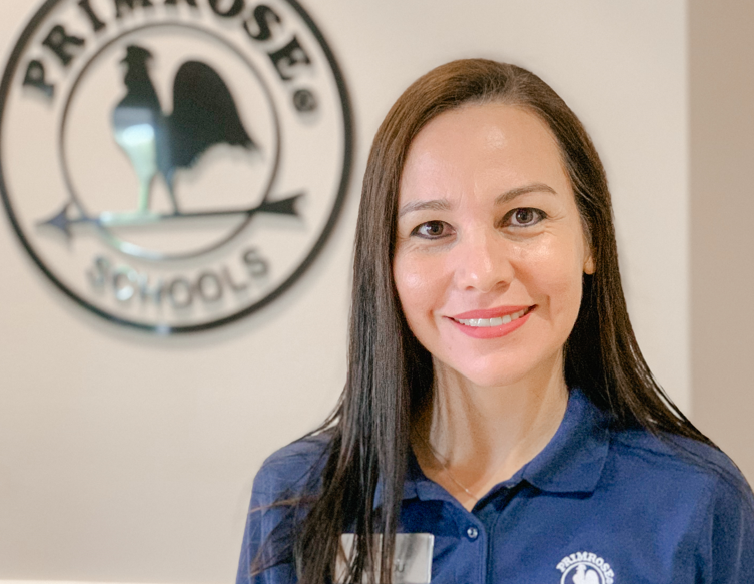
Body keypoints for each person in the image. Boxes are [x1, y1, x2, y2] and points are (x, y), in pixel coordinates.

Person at [236, 59, 754, 584]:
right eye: (432, 228)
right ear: (385, 262)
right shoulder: (299, 495)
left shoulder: (696, 500)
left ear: (590, 238)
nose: (482, 272)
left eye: (523, 216)